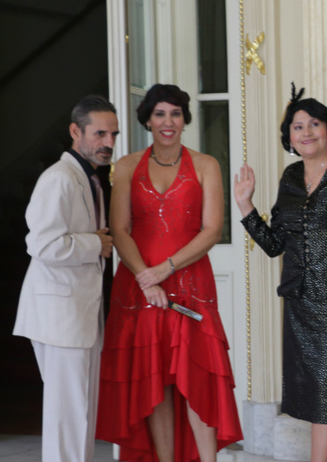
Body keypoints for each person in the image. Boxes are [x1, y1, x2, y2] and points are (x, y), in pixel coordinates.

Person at [233, 83, 327, 462]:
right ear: (289, 137)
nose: (306, 132)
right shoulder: (289, 177)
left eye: (314, 124)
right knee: (322, 399)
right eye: (297, 126)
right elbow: (275, 244)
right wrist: (245, 205)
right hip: (300, 304)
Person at [96, 84, 242, 462]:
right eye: (159, 113)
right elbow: (120, 230)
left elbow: (212, 230)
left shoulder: (206, 165)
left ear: (184, 119)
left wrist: (165, 269)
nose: (168, 121)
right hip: (139, 286)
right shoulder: (125, 166)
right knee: (153, 378)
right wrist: (146, 278)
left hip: (190, 282)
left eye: (175, 113)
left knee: (198, 376)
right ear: (147, 120)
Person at [13, 95, 117, 462]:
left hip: (78, 313)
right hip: (60, 316)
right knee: (68, 417)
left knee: (80, 412)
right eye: (100, 133)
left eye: (113, 134)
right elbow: (41, 244)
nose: (108, 142)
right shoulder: (58, 178)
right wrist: (96, 244)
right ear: (76, 131)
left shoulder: (89, 178)